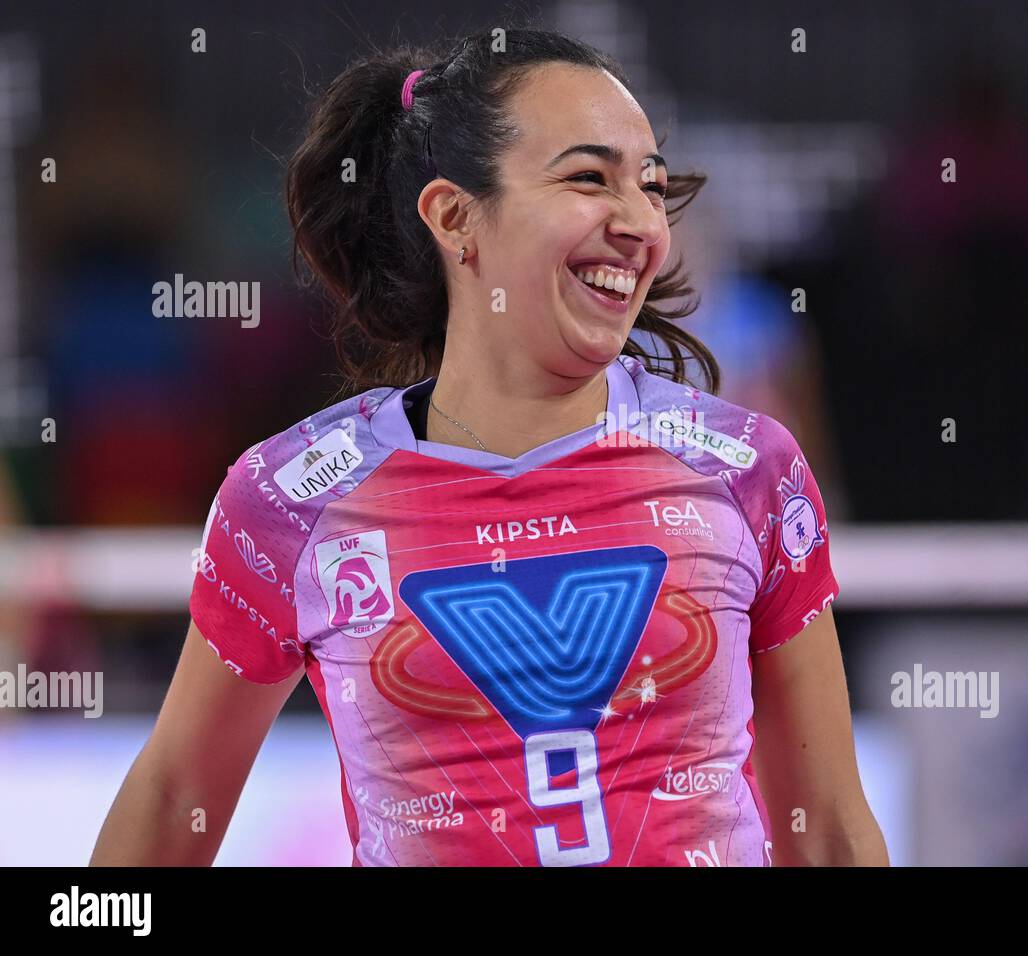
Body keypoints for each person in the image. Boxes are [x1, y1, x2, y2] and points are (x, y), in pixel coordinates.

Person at [91, 28, 888, 867]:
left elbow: (829, 829)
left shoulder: (742, 468)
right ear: (454, 217)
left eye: (651, 186)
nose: (640, 224)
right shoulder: (294, 498)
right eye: (589, 178)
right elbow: (173, 799)